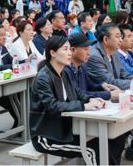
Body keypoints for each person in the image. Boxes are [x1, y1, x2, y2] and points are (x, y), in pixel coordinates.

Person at [30, 36, 126, 165]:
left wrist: (93, 99)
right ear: (52, 53)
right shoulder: (43, 77)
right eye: (65, 49)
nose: (70, 53)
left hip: (66, 129)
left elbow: (79, 93)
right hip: (47, 136)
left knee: (111, 138)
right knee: (93, 149)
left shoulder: (63, 73)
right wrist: (85, 106)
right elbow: (52, 106)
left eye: (70, 49)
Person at [65, 33, 123, 100]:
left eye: (89, 49)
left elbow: (90, 87)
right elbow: (78, 94)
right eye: (86, 49)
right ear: (73, 50)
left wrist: (102, 86)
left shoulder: (81, 67)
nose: (89, 53)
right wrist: (108, 95)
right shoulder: (66, 71)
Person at [86, 23, 133, 90]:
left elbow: (124, 75)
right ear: (106, 39)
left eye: (121, 36)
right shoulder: (94, 56)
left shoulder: (115, 52)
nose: (121, 40)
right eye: (117, 36)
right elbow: (110, 83)